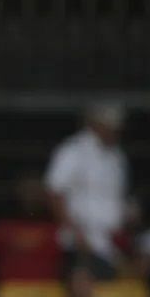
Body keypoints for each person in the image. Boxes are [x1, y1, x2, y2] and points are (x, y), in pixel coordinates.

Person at [45, 101, 131, 280]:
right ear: (96, 124)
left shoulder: (117, 158)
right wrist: (75, 233)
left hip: (109, 244)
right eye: (110, 126)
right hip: (80, 244)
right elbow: (55, 192)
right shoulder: (73, 150)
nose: (114, 132)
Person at [0, 175, 62, 296]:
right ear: (17, 194)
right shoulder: (1, 229)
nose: (32, 197)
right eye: (27, 191)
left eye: (36, 192)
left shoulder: (56, 231)